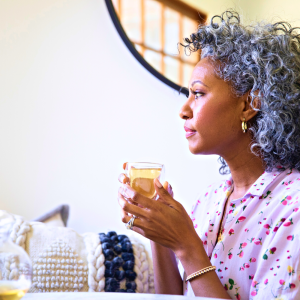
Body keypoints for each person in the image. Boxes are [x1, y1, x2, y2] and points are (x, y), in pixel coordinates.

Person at [118, 10, 300, 299]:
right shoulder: (211, 200)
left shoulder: (292, 208)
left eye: (198, 93)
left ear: (248, 104)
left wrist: (188, 248)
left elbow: (192, 259)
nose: (184, 109)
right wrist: (162, 234)